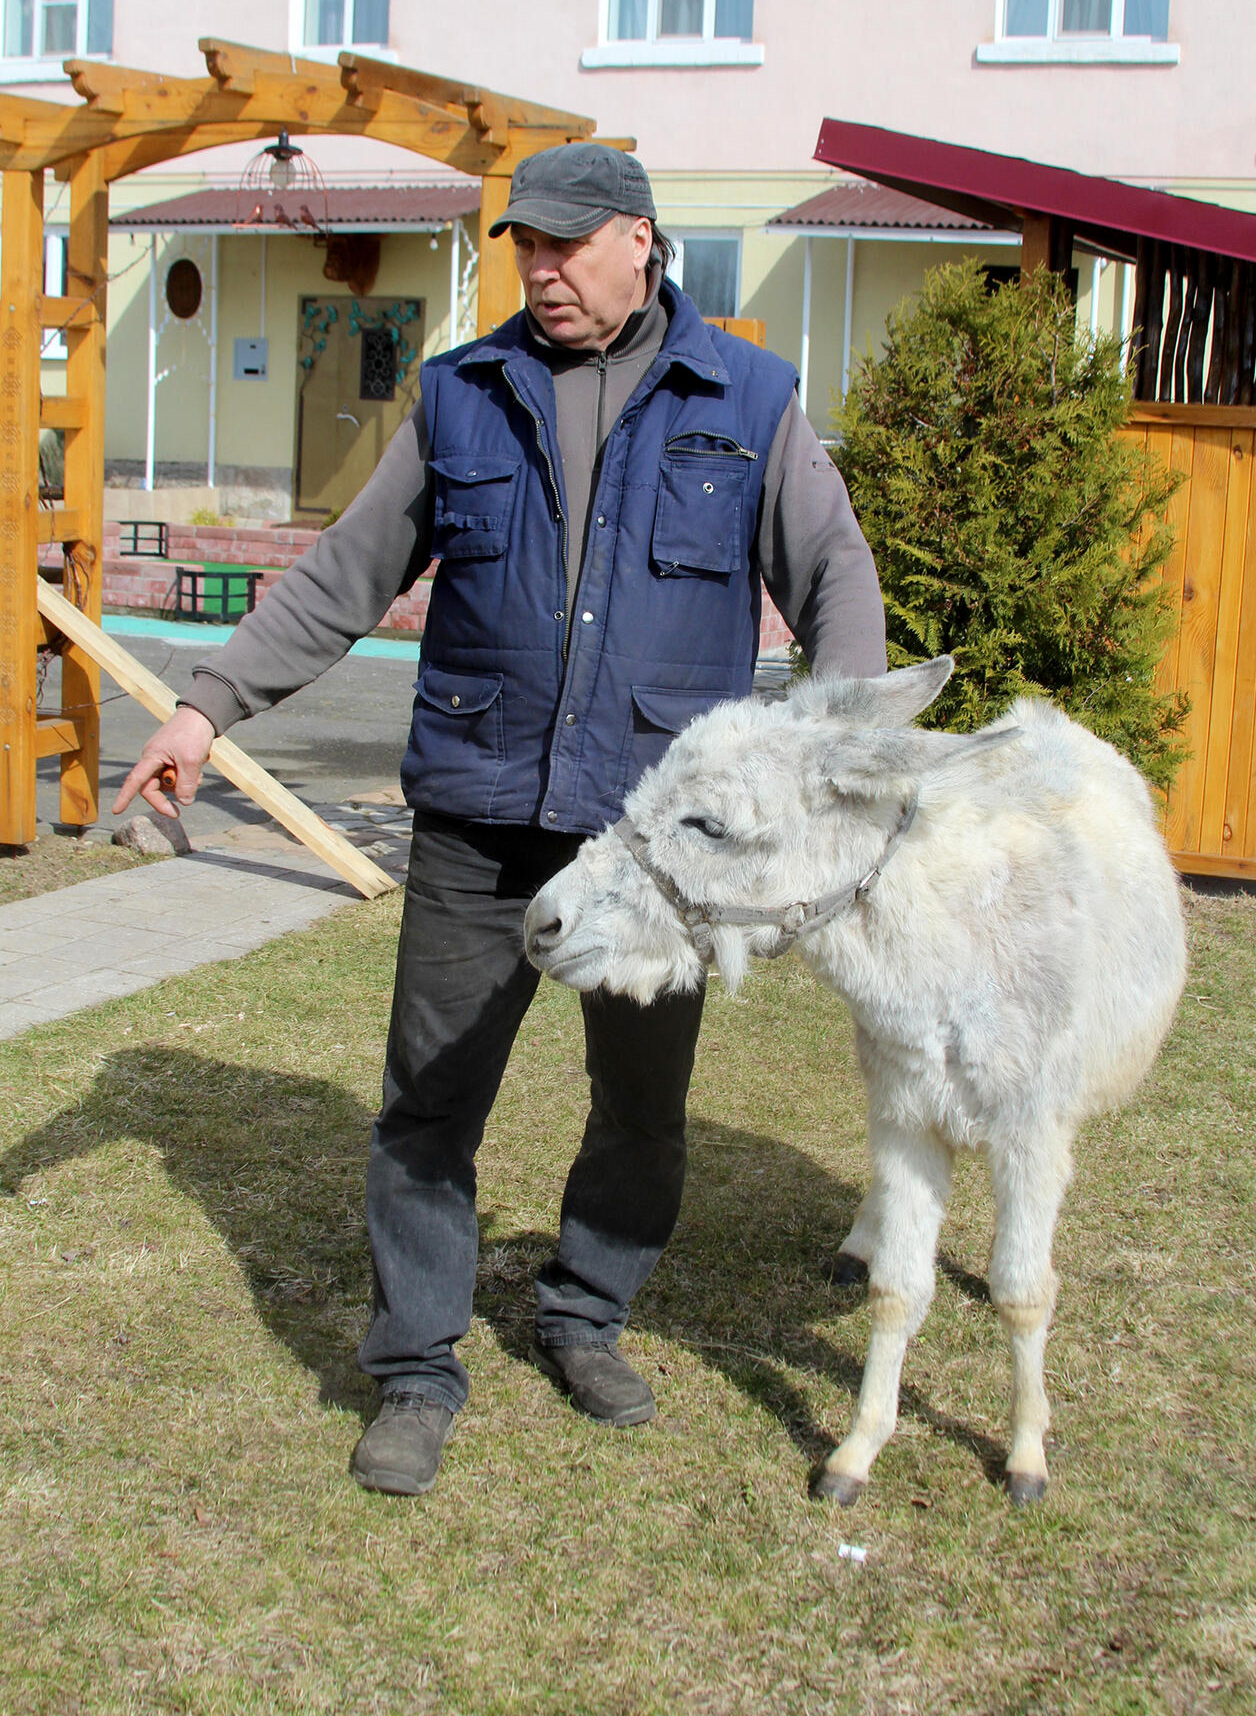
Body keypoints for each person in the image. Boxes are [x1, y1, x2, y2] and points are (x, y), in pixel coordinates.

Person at [115, 142, 886, 1499]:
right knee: (428, 1103)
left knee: (642, 1110)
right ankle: (418, 1365)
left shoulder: (748, 397)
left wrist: (839, 755)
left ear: (641, 241)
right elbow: (343, 575)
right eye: (525, 245)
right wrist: (204, 709)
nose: (540, 269)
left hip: (651, 848)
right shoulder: (462, 395)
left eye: (569, 245)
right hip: (477, 822)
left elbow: (831, 574)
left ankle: (585, 1311)